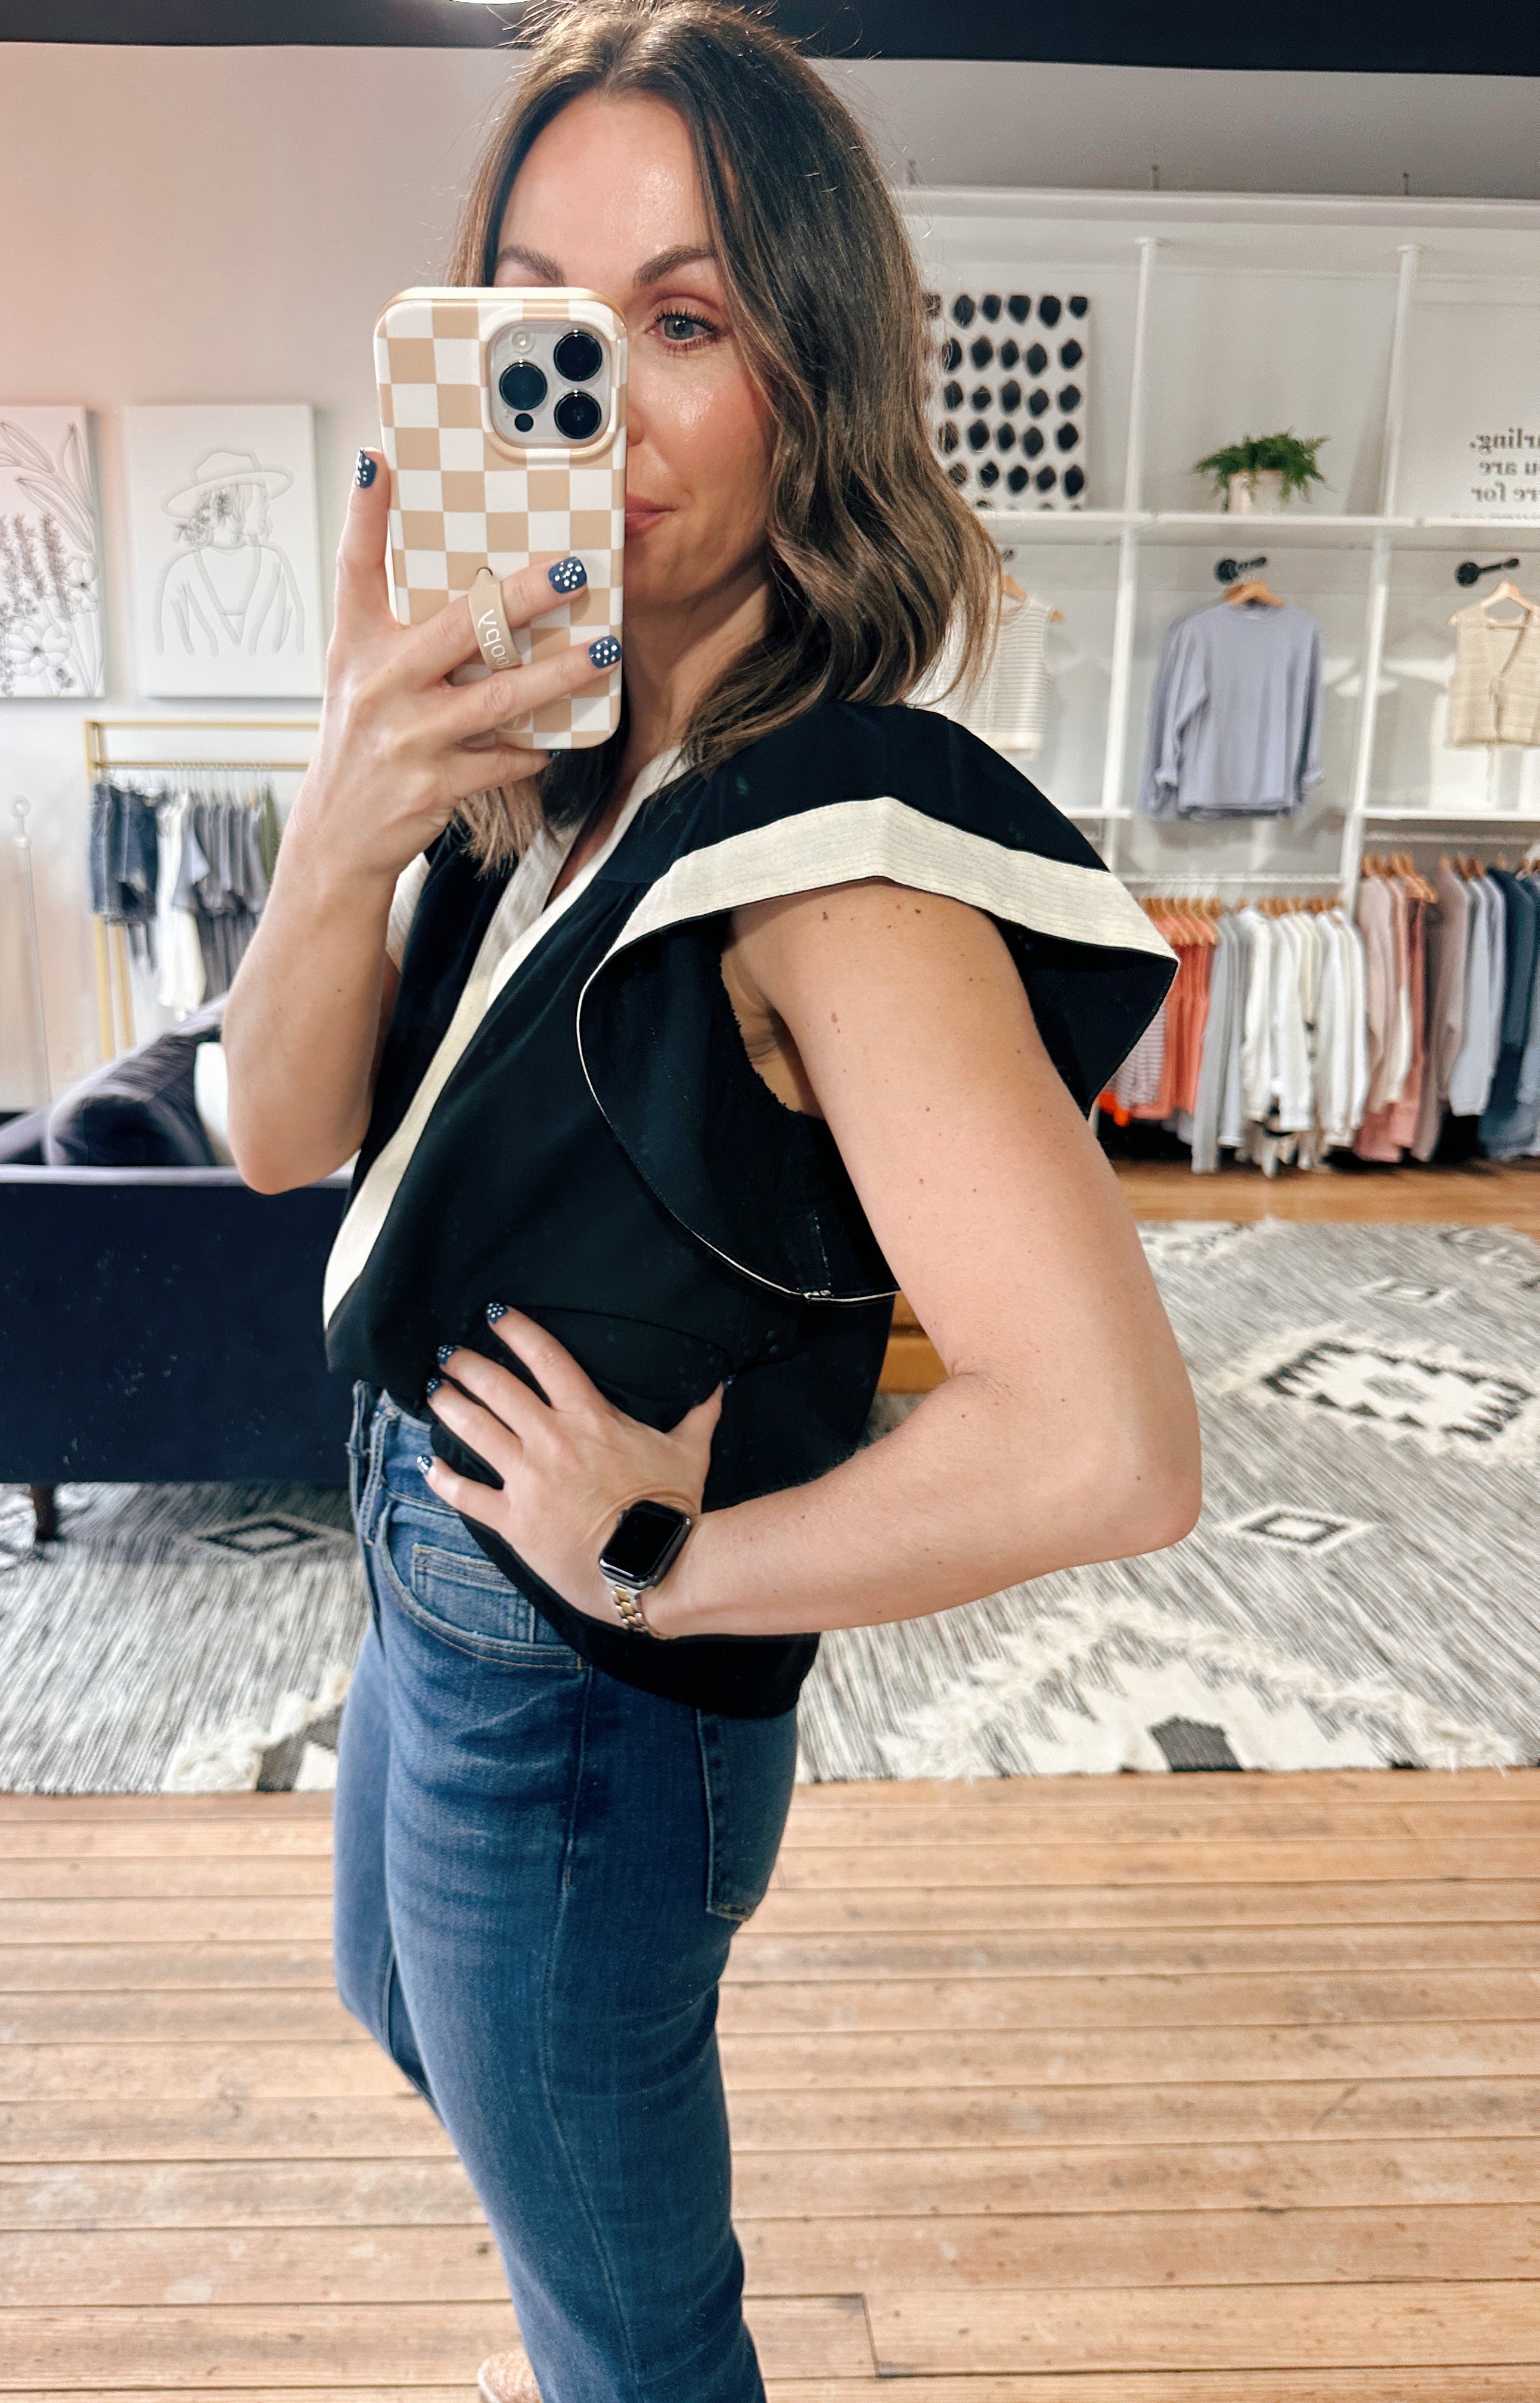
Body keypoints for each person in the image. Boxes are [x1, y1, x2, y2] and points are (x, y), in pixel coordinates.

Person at [221, 5, 1201, 2398]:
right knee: (402, 2010)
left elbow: (1109, 1447)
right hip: (429, 1573)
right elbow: (272, 1134)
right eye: (539, 328)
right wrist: (345, 810)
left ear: (813, 380)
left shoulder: (835, 851)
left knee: (635, 2331)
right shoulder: (548, 757)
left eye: (685, 324)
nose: (603, 410)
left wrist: (667, 1561)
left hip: (578, 1684)